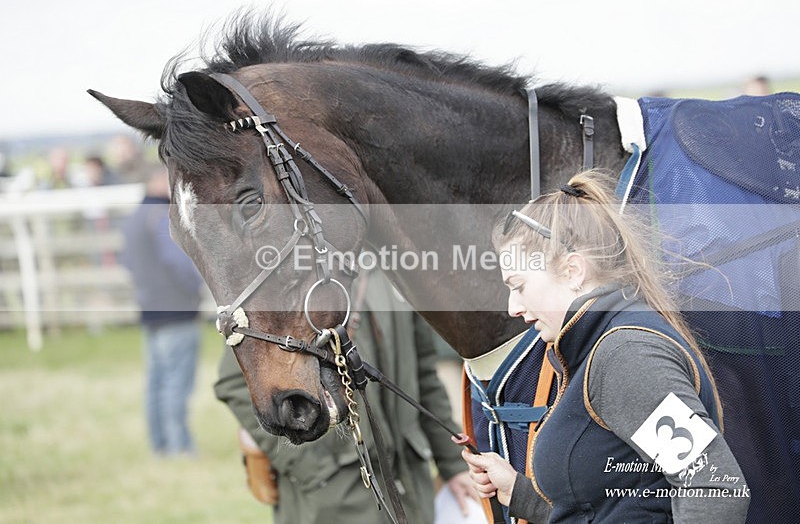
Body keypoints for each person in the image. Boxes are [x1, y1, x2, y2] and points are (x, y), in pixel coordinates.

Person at [461, 171, 749, 522]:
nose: (512, 308)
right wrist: (519, 494)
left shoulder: (626, 356)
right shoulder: (601, 346)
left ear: (572, 271)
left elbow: (715, 489)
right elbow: (615, 505)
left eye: (518, 285)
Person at [214, 269, 478, 524]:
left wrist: (452, 465)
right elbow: (233, 381)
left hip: (409, 486)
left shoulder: (395, 268)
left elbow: (423, 376)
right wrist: (313, 470)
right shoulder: (290, 278)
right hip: (333, 494)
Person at [121, 163, 203, 456]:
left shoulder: (133, 218)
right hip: (176, 310)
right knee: (176, 383)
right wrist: (196, 286)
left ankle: (160, 445)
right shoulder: (162, 217)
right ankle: (179, 447)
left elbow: (127, 263)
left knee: (156, 383)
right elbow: (180, 262)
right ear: (158, 180)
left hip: (149, 309)